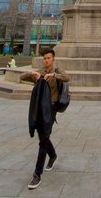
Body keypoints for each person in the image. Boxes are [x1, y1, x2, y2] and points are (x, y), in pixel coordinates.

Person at [20, 49, 70, 190]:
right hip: (39, 107)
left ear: (53, 59)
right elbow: (21, 77)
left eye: (48, 58)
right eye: (45, 58)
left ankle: (37, 174)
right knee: (43, 136)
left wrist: (55, 75)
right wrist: (32, 74)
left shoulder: (57, 71)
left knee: (43, 140)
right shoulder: (40, 72)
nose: (46, 60)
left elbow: (67, 77)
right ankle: (53, 155)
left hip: (52, 107)